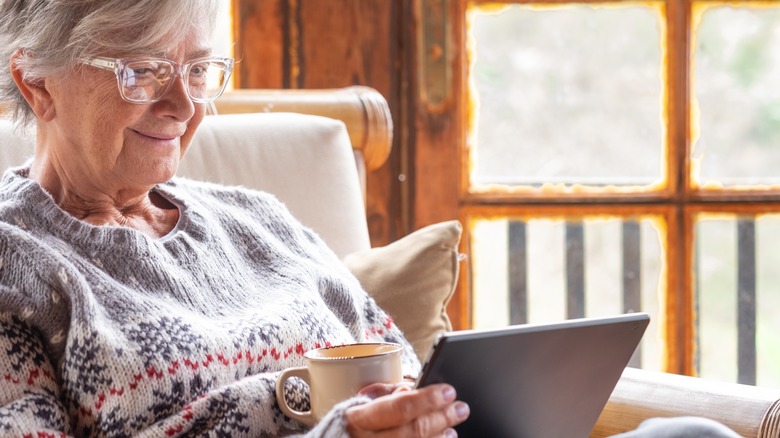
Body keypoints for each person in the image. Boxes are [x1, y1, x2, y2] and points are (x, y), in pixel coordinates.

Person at [0, 1, 740, 437]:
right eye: (143, 71)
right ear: (34, 79)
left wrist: (424, 408)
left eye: (197, 70)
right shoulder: (16, 261)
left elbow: (403, 369)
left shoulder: (258, 220)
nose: (185, 105)